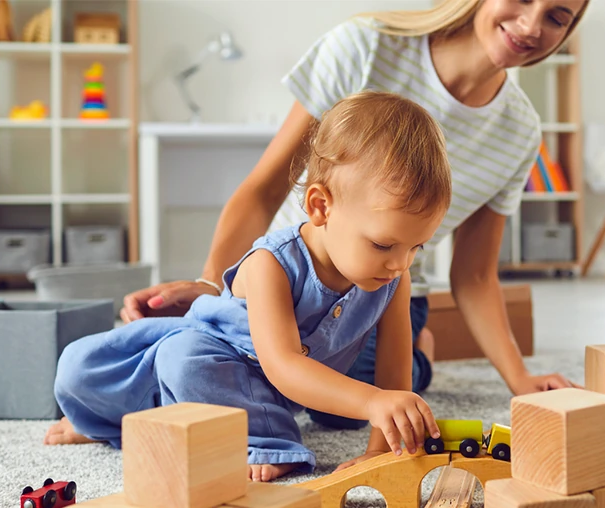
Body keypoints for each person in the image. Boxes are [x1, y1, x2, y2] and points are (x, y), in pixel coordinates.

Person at [120, 0, 589, 463]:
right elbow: (263, 191)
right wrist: (211, 291)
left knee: (349, 405)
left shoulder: (521, 128)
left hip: (380, 295)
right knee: (184, 356)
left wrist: (519, 380)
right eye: (524, 0)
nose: (531, 25)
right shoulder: (363, 47)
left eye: (557, 17)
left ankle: (416, 349)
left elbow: (476, 274)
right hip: (283, 281)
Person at [45, 91, 452, 482]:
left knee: (351, 402)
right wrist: (370, 401)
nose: (400, 263)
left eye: (417, 246)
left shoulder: (393, 279)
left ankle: (211, 429)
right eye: (383, 244)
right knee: (88, 367)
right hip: (218, 358)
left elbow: (394, 372)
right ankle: (120, 423)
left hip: (275, 392)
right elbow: (284, 365)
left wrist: (381, 450)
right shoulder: (270, 263)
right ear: (320, 207)